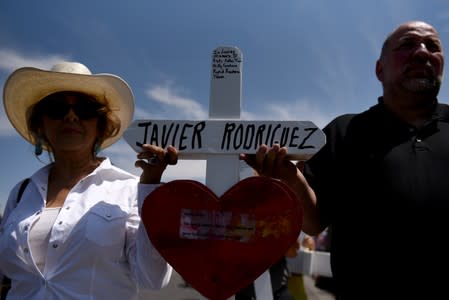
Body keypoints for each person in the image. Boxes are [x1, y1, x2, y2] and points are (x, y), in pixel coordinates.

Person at [242, 20, 449, 298]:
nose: (423, 52)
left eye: (433, 46)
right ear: (379, 69)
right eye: (408, 44)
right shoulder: (345, 131)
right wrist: (290, 178)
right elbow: (313, 222)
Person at [0, 61, 178, 299]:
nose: (71, 116)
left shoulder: (130, 189)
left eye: (84, 109)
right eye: (56, 108)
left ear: (100, 126)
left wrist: (150, 188)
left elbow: (152, 278)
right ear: (40, 125)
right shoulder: (21, 192)